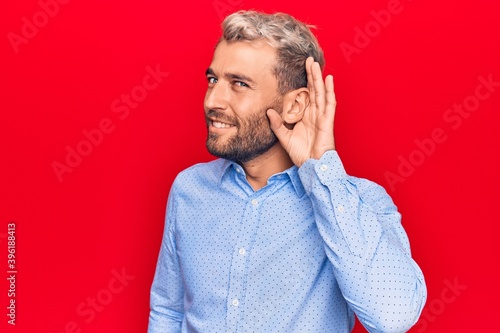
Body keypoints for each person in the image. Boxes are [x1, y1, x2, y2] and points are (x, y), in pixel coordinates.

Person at [148, 10, 426, 333]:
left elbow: (394, 316)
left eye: (239, 84)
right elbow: (167, 310)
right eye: (213, 80)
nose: (213, 100)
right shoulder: (189, 190)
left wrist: (322, 171)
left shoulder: (358, 204)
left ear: (294, 106)